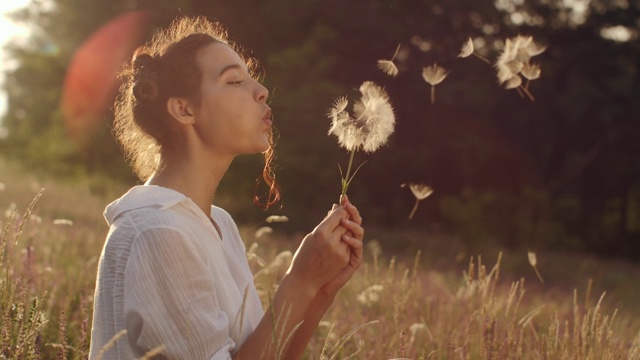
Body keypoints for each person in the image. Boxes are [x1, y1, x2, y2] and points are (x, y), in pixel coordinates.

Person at [88, 16, 364, 360]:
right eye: (234, 80)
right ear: (184, 109)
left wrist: (318, 291)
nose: (260, 90)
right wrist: (299, 282)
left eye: (251, 78)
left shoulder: (218, 225)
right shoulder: (158, 232)